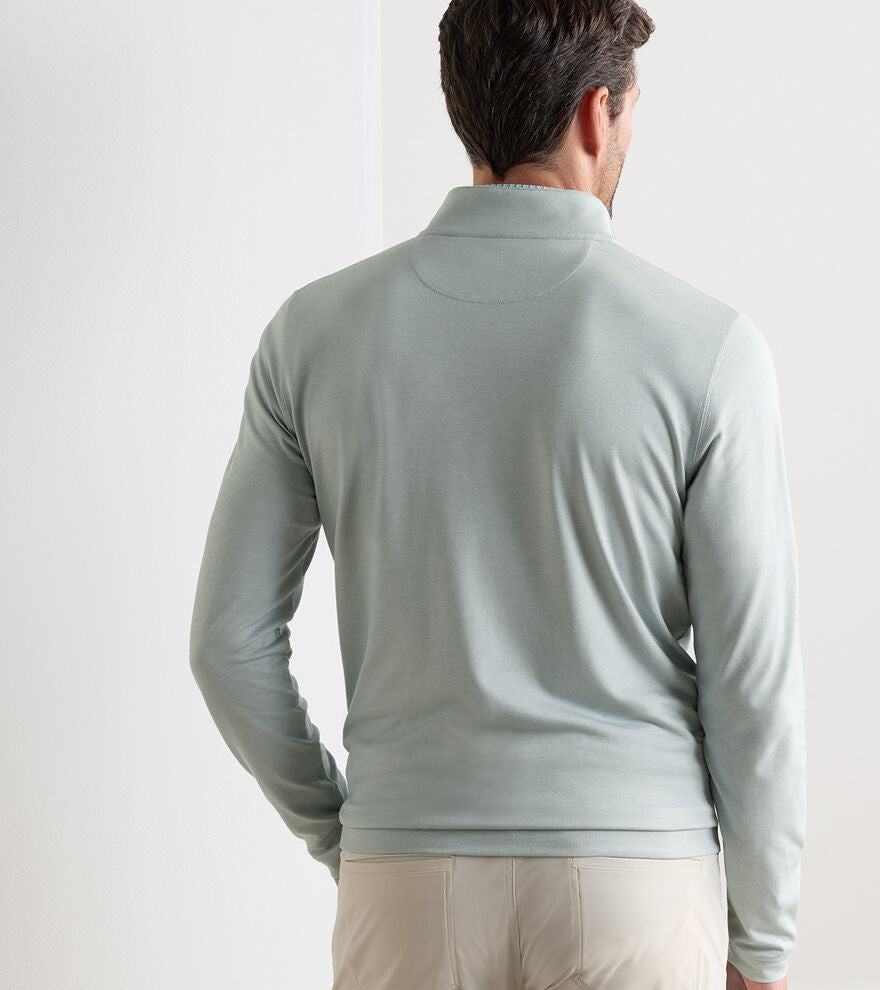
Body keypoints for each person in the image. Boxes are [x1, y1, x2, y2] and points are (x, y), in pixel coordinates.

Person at [188, 1, 807, 988]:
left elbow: (227, 646)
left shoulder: (313, 335)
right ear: (598, 113)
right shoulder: (709, 347)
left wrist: (348, 834)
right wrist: (761, 944)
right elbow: (752, 683)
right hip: (634, 879)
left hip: (405, 874)